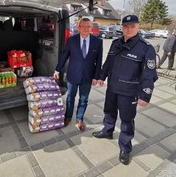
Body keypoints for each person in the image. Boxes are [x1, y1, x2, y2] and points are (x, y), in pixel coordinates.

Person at [92, 14, 158, 165]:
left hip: (129, 92)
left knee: (127, 121)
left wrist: (145, 95)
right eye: (126, 26)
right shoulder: (116, 43)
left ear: (138, 27)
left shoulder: (146, 48)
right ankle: (107, 131)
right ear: (122, 28)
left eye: (132, 26)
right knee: (109, 111)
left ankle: (125, 149)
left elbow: (149, 75)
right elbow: (108, 62)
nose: (128, 29)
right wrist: (102, 77)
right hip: (113, 88)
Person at [53, 18, 103, 131]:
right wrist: (57, 70)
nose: (86, 29)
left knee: (84, 99)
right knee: (70, 97)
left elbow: (99, 61)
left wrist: (96, 76)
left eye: (88, 26)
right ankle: (68, 116)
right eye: (83, 26)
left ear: (91, 28)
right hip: (73, 75)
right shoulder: (71, 40)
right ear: (79, 27)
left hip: (88, 76)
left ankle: (80, 119)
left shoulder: (98, 42)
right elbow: (64, 56)